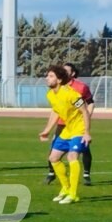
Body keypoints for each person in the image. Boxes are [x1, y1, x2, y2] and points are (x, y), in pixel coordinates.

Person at [38, 65, 92, 205]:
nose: (47, 78)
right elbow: (56, 112)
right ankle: (66, 188)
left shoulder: (72, 94)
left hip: (79, 129)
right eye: (47, 75)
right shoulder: (50, 94)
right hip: (67, 129)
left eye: (51, 76)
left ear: (59, 80)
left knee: (72, 156)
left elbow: (85, 111)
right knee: (53, 158)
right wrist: (47, 130)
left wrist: (87, 132)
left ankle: (73, 194)